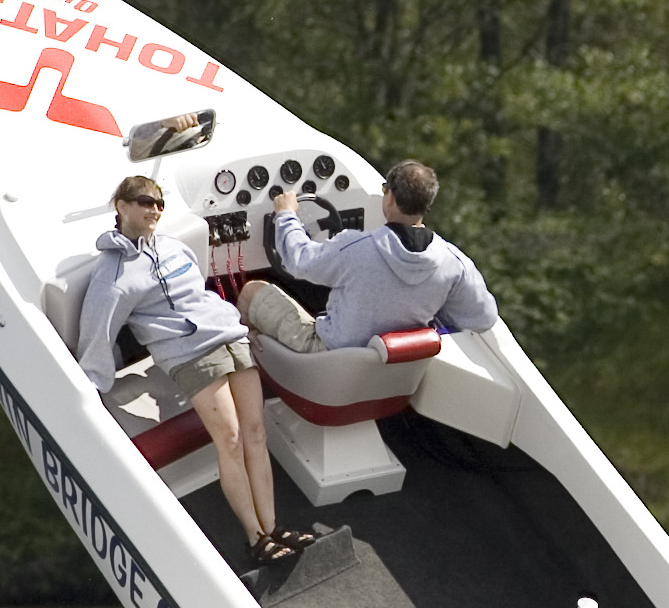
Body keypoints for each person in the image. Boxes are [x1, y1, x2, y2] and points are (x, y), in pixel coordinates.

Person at [77, 173, 308, 567]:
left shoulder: (172, 247)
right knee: (231, 439)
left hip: (229, 335)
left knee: (255, 431)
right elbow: (97, 335)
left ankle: (272, 527)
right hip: (190, 353)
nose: (154, 209)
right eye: (144, 202)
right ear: (121, 206)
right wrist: (87, 394)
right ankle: (255, 538)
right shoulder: (112, 278)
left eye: (159, 203)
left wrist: (237, 323)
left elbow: (200, 292)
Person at [237, 159, 496, 352]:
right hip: (393, 371)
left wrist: (285, 215)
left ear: (391, 198)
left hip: (329, 358)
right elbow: (482, 317)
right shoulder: (453, 262)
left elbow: (299, 261)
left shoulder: (354, 247)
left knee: (251, 290)